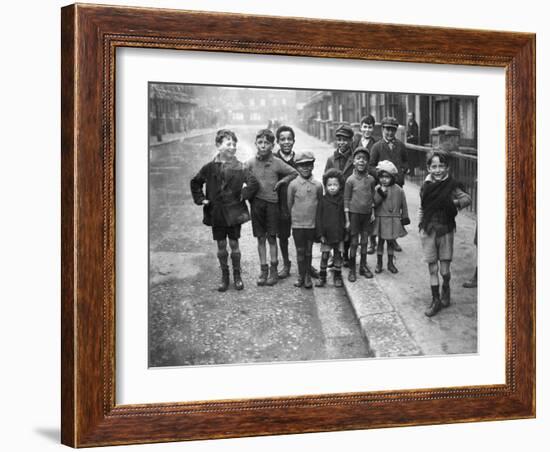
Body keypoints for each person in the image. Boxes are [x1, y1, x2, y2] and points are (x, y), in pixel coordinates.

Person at [190, 129, 259, 292]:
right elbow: (195, 182)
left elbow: (253, 183)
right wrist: (201, 199)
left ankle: (237, 275)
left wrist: (243, 194)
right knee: (221, 244)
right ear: (218, 146)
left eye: (234, 144)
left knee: (234, 243)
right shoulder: (209, 168)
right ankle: (225, 276)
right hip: (217, 213)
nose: (233, 147)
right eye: (228, 144)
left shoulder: (241, 167)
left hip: (234, 213)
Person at [418, 150, 471, 317]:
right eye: (434, 166)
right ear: (428, 168)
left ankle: (446, 287)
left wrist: (452, 203)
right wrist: (420, 226)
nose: (438, 170)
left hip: (446, 231)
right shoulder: (425, 186)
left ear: (447, 167)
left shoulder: (452, 185)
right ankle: (436, 301)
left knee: (444, 271)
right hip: (428, 231)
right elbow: (422, 207)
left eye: (441, 166)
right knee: (432, 268)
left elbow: (467, 199)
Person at [246, 128, 298, 286]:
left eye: (267, 143)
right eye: (260, 142)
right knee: (260, 238)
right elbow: (239, 173)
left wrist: (283, 181)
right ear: (255, 144)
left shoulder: (277, 162)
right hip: (256, 204)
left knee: (272, 237)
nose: (263, 145)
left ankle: (274, 271)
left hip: (272, 205)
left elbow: (294, 172)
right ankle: (264, 270)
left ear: (272, 145)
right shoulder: (250, 162)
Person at [274, 125, 319, 280]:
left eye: (289, 139)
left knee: (305, 238)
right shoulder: (274, 160)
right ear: (278, 141)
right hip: (280, 203)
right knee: (283, 236)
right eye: (283, 139)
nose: (286, 142)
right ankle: (286, 264)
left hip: (300, 206)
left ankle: (307, 265)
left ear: (293, 141)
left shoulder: (299, 160)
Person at [369, 116, 409, 252]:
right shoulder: (376, 147)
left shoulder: (400, 146)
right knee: (378, 213)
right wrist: (380, 173)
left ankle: (393, 240)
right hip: (381, 186)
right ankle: (373, 241)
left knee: (394, 213)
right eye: (387, 129)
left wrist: (403, 170)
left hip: (396, 185)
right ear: (382, 129)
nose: (390, 133)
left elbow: (405, 161)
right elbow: (370, 166)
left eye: (393, 130)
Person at [287, 151, 323, 289]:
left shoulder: (318, 185)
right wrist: (294, 219)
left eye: (308, 165)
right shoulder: (293, 185)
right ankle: (301, 275)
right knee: (300, 250)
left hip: (311, 224)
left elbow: (320, 204)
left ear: (313, 166)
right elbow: (289, 204)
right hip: (298, 225)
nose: (305, 168)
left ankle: (308, 274)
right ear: (297, 167)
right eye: (302, 166)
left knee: (308, 251)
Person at [343, 146, 377, 281]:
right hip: (354, 215)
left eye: (364, 159)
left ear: (367, 162)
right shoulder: (350, 180)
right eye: (358, 158)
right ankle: (352, 269)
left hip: (367, 215)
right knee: (353, 243)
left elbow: (372, 197)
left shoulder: (371, 180)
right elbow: (346, 200)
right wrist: (347, 219)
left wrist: (373, 212)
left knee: (364, 242)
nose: (361, 161)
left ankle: (363, 266)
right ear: (353, 161)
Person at [324, 124, 355, 266]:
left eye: (345, 140)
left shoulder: (355, 158)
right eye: (339, 139)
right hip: (335, 199)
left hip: (349, 198)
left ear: (351, 141)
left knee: (348, 228)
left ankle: (347, 255)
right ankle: (334, 255)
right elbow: (326, 178)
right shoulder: (331, 159)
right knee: (334, 226)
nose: (342, 143)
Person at [372, 160, 410, 274]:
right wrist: (380, 193)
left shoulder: (399, 190)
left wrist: (404, 217)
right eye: (382, 177)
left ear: (393, 177)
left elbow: (404, 204)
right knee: (380, 243)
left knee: (390, 243)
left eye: (387, 177)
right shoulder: (377, 189)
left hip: (393, 219)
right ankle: (379, 263)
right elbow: (374, 203)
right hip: (381, 219)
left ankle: (390, 263)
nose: (384, 180)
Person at [315, 168, 346, 288]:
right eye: (329, 185)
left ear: (340, 186)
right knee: (324, 255)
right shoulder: (322, 200)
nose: (332, 187)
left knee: (338, 255)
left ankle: (337, 276)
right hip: (326, 234)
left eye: (335, 185)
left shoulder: (342, 200)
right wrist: (320, 234)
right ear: (325, 186)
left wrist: (345, 232)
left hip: (339, 233)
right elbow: (318, 218)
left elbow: (345, 217)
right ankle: (322, 276)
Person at [352, 114, 378, 254]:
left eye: (370, 127)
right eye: (365, 126)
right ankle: (355, 240)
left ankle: (372, 241)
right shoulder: (355, 141)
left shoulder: (376, 143)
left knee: (371, 210)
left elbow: (376, 164)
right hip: (357, 178)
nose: (367, 130)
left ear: (373, 128)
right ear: (361, 127)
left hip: (370, 179)